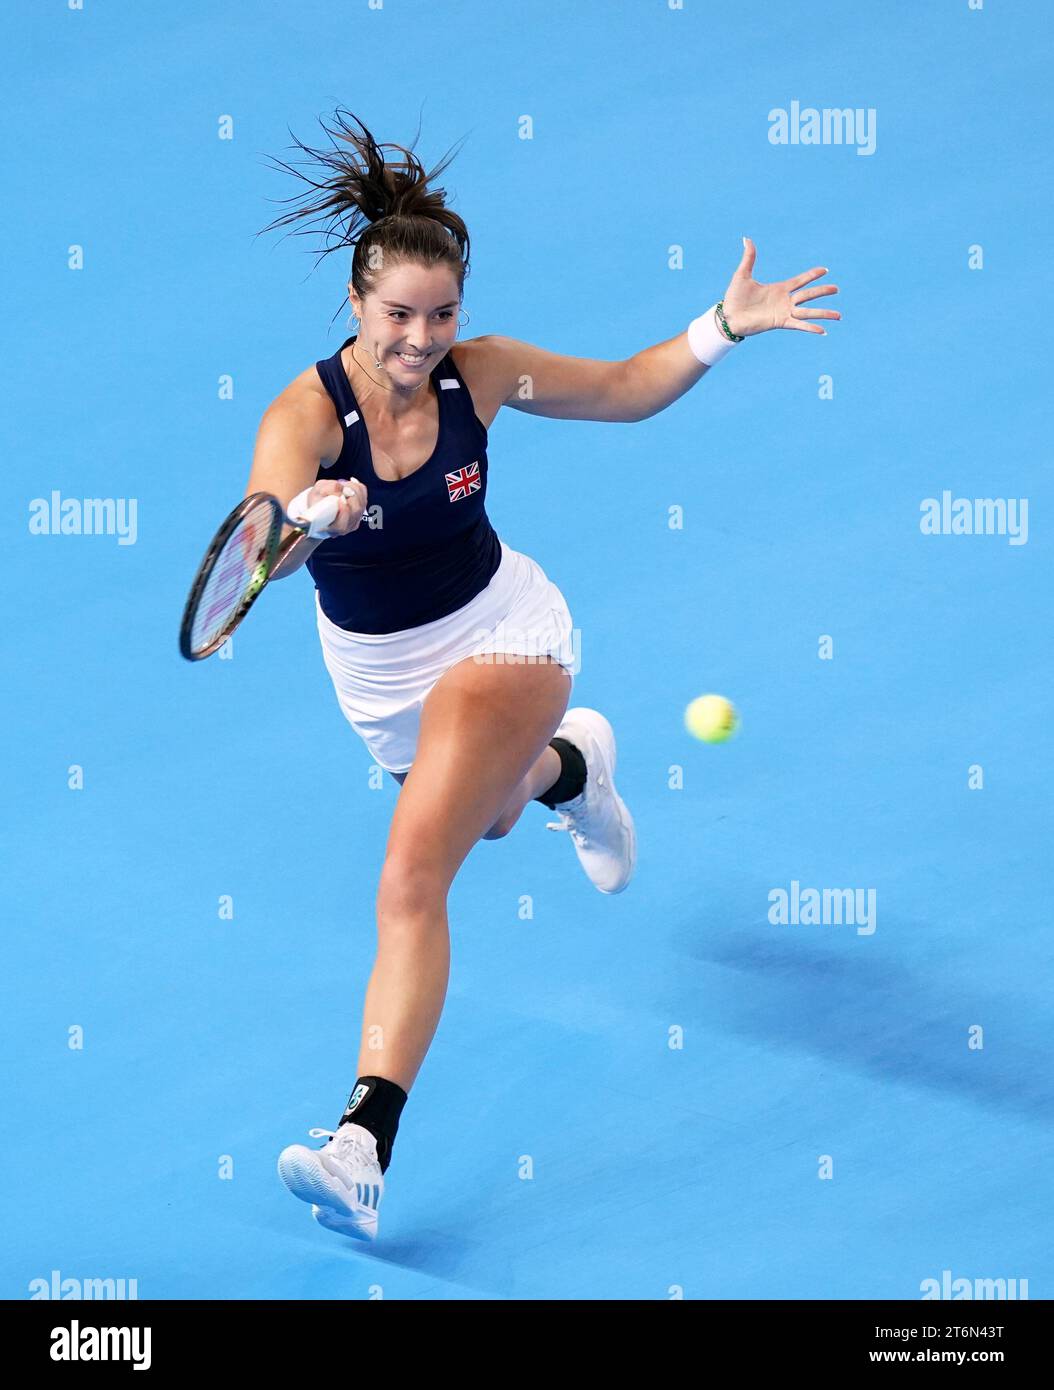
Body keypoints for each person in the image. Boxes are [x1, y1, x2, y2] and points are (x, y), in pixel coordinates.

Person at [245, 108, 840, 1241]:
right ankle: (574, 772)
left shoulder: (484, 374)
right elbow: (255, 546)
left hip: (507, 632)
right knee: (496, 815)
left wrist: (722, 325)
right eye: (396, 316)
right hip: (378, 678)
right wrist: (307, 518)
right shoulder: (306, 413)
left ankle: (361, 1142)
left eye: (440, 313)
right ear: (357, 306)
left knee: (412, 870)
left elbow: (621, 386)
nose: (420, 338)